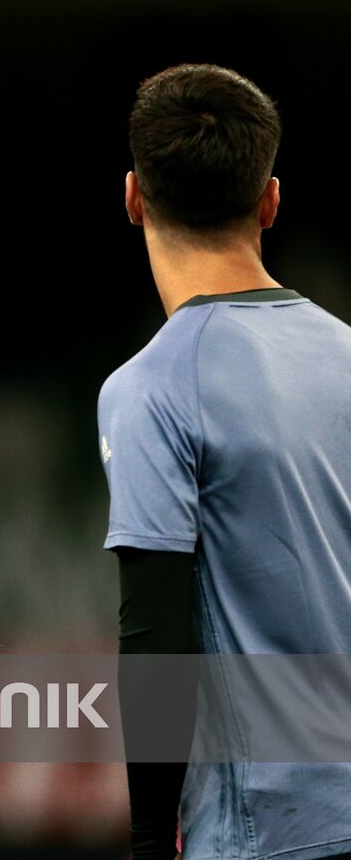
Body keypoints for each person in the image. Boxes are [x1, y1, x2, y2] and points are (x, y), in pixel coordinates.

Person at [101, 63, 351, 860]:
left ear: (134, 196)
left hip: (265, 835)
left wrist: (148, 839)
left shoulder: (149, 388)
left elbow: (156, 635)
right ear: (269, 199)